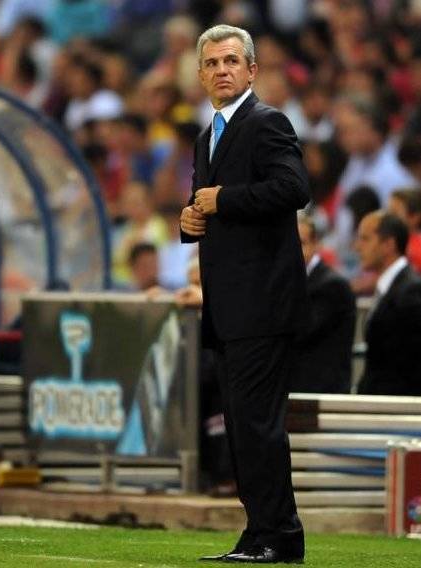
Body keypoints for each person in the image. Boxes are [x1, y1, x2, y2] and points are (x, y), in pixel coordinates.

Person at [179, 24, 309, 564]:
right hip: (231, 306)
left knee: (257, 424)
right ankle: (259, 532)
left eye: (232, 60)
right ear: (201, 74)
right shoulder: (208, 135)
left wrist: (221, 199)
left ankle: (281, 535)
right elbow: (206, 206)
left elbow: (294, 188)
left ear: (252, 70)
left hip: (263, 302)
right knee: (240, 428)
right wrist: (189, 218)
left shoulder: (266, 122)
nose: (222, 70)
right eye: (212, 63)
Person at [354, 211, 421, 395]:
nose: (357, 247)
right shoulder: (392, 288)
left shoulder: (410, 292)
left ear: (388, 244)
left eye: (365, 239)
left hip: (397, 412)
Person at [293, 215, 355, 394]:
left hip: (322, 392)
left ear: (315, 244)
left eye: (301, 243)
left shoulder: (331, 285)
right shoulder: (290, 280)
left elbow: (301, 331)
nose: (294, 250)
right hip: (297, 389)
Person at [388, 188, 421, 273]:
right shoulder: (391, 240)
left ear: (414, 217)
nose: (387, 218)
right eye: (387, 212)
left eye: (394, 213)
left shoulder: (415, 251)